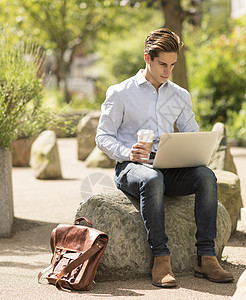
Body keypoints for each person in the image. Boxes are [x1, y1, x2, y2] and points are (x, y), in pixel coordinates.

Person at [95, 28, 234, 288]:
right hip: (132, 167)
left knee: (206, 177)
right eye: (162, 64)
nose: (167, 71)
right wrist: (128, 153)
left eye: (172, 65)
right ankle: (161, 258)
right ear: (147, 57)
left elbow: (192, 133)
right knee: (152, 178)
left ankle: (206, 257)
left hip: (168, 164)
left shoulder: (180, 95)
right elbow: (103, 136)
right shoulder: (120, 92)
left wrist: (193, 150)